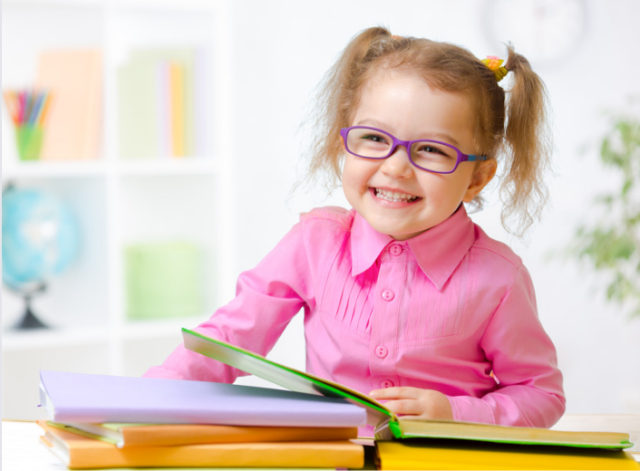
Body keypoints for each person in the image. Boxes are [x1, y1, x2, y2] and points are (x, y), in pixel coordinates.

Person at [144, 26, 565, 430]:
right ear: (344, 138)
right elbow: (229, 340)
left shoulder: (499, 279)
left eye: (432, 150)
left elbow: (541, 394)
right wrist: (154, 397)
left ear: (477, 178)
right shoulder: (314, 243)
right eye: (375, 139)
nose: (396, 167)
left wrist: (455, 412)